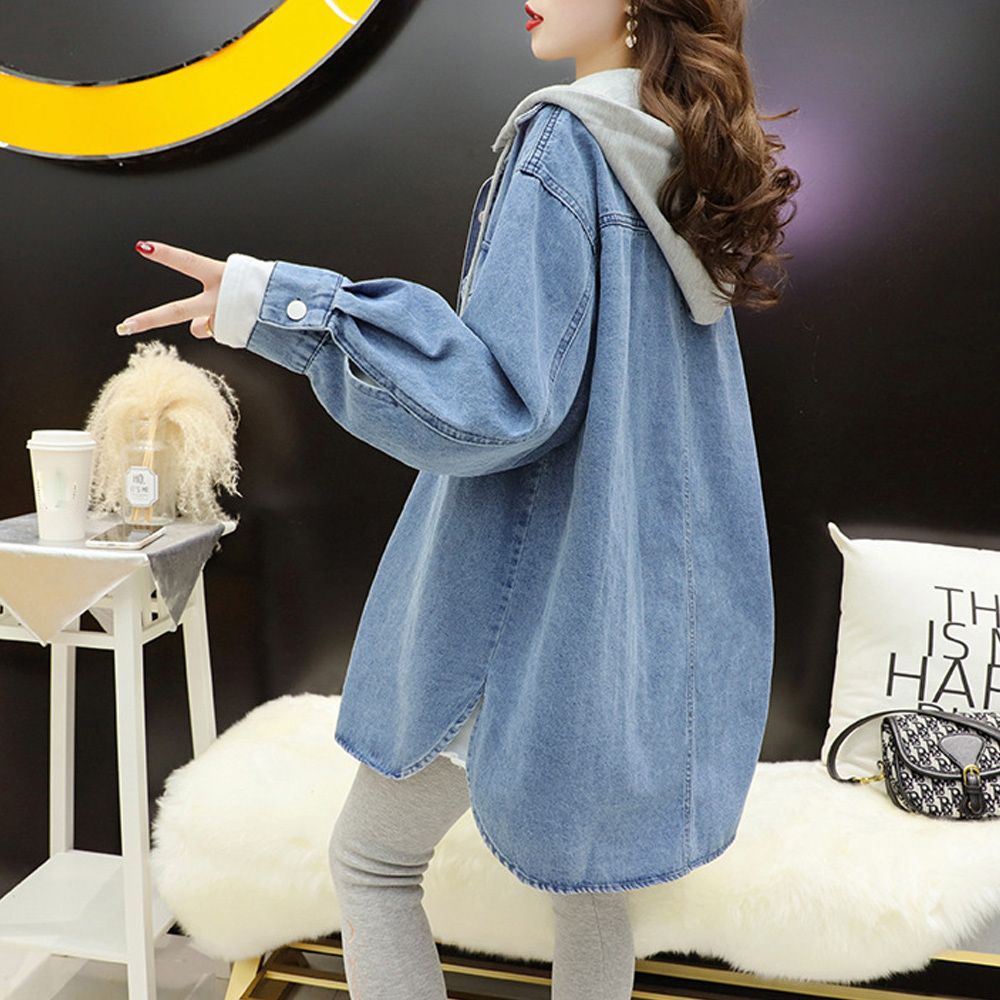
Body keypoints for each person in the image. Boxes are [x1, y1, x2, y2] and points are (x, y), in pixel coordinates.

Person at [119, 2, 799, 997]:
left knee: (369, 862)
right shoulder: (684, 162)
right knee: (589, 888)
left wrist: (283, 307)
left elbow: (498, 403)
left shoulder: (566, 142)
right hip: (631, 622)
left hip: (525, 604)